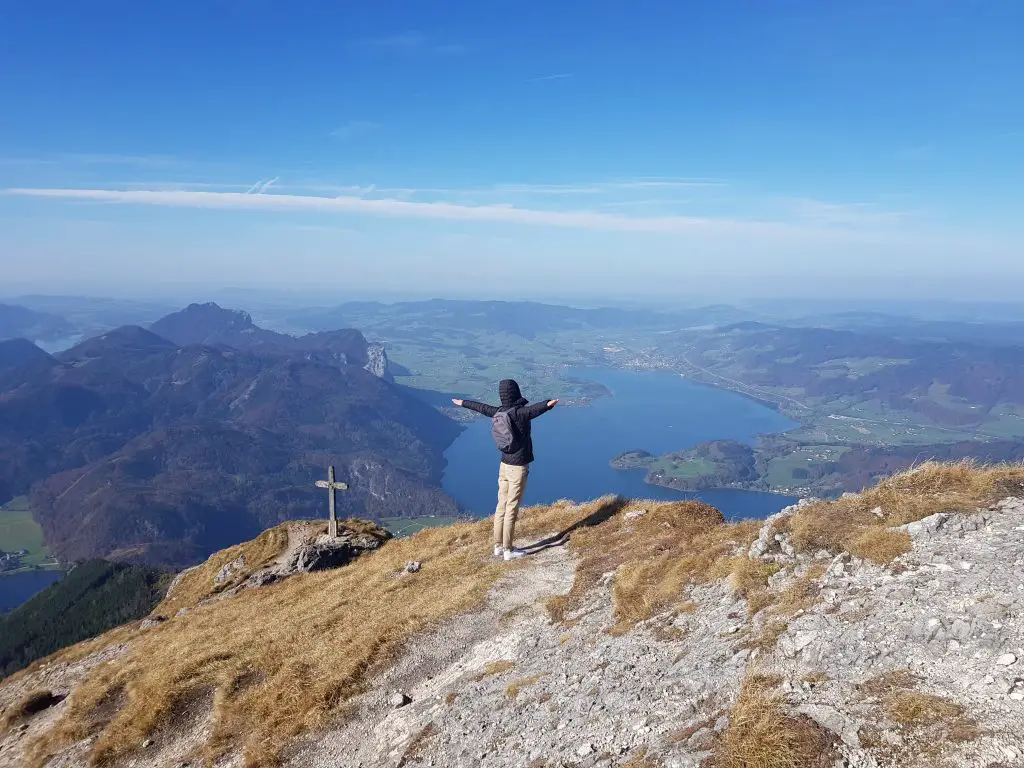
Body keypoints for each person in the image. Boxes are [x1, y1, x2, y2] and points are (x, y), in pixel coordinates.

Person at [452, 379, 558, 561]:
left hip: (504, 465)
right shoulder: (520, 413)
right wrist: (549, 404)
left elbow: (481, 407)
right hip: (518, 467)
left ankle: (498, 547)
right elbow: (536, 410)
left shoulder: (499, 412)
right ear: (516, 392)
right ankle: (508, 550)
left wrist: (463, 403)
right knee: (512, 508)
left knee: (501, 506)